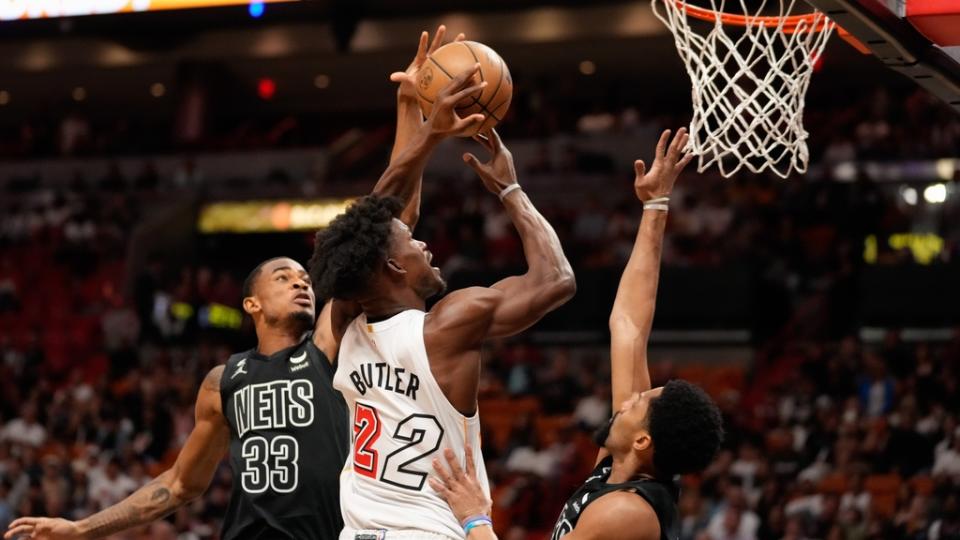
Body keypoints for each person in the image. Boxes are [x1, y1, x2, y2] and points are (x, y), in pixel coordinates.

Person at [4, 26, 486, 540]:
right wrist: (83, 529)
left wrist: (410, 114)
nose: (302, 283)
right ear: (251, 303)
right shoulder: (223, 381)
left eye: (305, 277)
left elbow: (385, 227)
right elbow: (179, 485)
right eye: (285, 277)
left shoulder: (330, 347)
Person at [428, 129, 725, 540]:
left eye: (641, 401)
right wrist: (656, 204)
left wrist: (474, 516)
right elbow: (629, 326)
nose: (633, 396)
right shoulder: (621, 468)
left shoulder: (625, 512)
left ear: (642, 442)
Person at [309, 126, 576, 538]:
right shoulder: (447, 326)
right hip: (430, 529)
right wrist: (510, 189)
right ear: (394, 267)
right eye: (413, 241)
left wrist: (425, 125)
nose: (425, 246)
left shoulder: (343, 323)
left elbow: (369, 223)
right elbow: (555, 279)